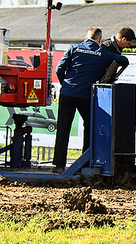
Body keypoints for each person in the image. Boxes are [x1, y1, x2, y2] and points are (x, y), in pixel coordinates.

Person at [52, 27, 130, 173]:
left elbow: (59, 69)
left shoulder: (73, 48)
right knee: (89, 128)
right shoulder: (102, 53)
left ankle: (59, 165)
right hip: (85, 96)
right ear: (100, 39)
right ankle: (84, 163)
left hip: (67, 93)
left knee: (63, 128)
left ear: (87, 36)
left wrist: (66, 84)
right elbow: (123, 60)